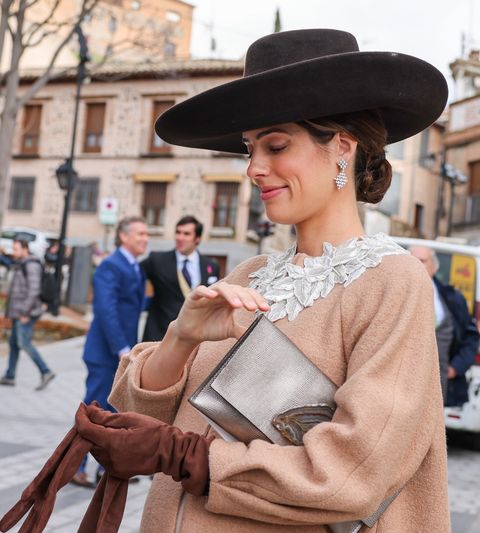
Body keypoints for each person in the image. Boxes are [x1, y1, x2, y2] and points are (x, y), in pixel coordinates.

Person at [72, 29, 450, 530]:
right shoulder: (251, 274)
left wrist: (192, 459)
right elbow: (143, 416)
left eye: (275, 145)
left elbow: (356, 471)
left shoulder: (391, 282)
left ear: (342, 147)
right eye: (250, 148)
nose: (254, 168)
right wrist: (181, 338)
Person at [71, 216, 148, 487]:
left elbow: (131, 305)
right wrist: (121, 348)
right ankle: (74, 468)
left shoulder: (133, 267)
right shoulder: (110, 266)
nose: (145, 238)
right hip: (105, 353)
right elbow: (106, 311)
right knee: (93, 411)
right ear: (124, 236)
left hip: (118, 354)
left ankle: (109, 467)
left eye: (146, 233)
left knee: (114, 413)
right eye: (139, 233)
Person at [410, 246, 479, 406]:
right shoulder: (392, 296)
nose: (416, 265)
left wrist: (456, 367)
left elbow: (471, 337)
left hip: (438, 389)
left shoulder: (452, 299)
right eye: (411, 260)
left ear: (434, 267)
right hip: (401, 386)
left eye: (422, 261)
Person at [141, 215, 219, 341]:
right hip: (159, 336)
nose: (180, 238)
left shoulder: (211, 266)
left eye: (186, 234)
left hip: (194, 339)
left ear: (197, 239)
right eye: (178, 232)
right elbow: (131, 276)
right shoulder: (157, 260)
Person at [0, 239, 55, 390]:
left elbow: (33, 290)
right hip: (20, 311)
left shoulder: (31, 265)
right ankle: (10, 376)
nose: (13, 251)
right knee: (13, 343)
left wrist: (25, 312)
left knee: (23, 343)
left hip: (26, 312)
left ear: (25, 249)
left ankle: (46, 371)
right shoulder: (22, 263)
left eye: (16, 249)